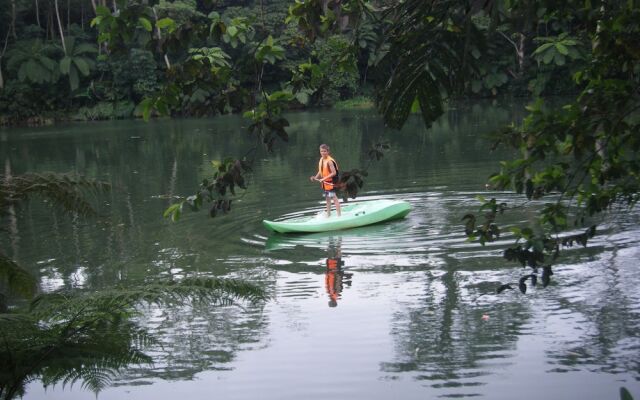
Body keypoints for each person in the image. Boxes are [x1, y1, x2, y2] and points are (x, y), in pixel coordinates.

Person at [309, 144, 342, 217]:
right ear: (320, 152)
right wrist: (315, 177)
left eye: (324, 151)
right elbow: (321, 170)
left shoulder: (329, 161)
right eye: (321, 151)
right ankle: (328, 215)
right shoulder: (321, 159)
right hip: (325, 183)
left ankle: (339, 216)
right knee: (327, 199)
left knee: (334, 198)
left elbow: (334, 173)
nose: (323, 153)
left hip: (331, 183)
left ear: (328, 152)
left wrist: (323, 178)